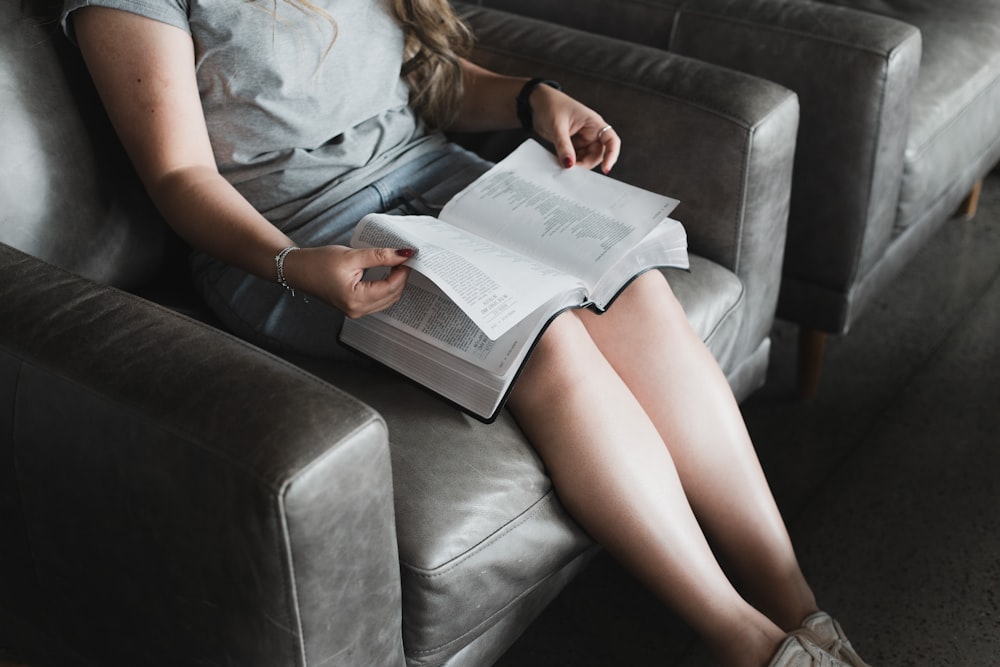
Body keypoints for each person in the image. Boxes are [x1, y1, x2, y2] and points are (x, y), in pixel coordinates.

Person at [63, 1, 869, 665]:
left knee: (636, 289)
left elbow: (422, 85)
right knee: (546, 336)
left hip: (432, 177)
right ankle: (751, 644)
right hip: (298, 238)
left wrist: (529, 97)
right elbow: (178, 177)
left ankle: (803, 610)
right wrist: (293, 264)